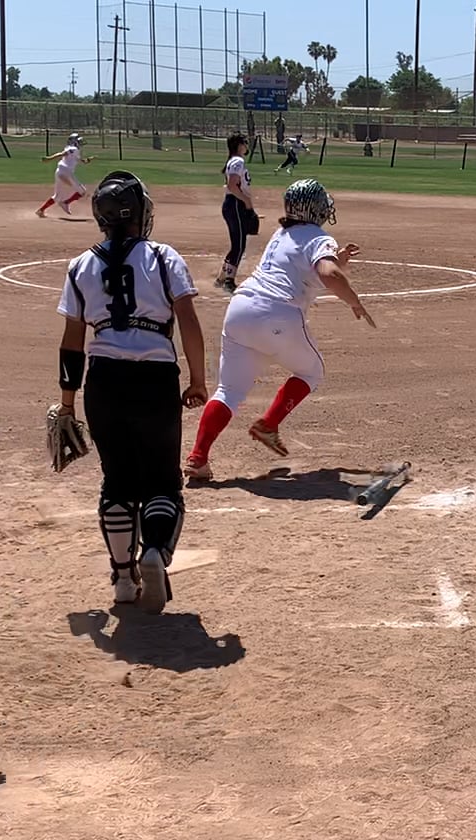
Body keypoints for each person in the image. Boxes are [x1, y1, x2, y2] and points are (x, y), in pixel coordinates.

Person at [52, 172, 208, 612]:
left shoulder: (80, 265)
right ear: (140, 214)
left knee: (117, 481)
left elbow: (72, 342)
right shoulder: (162, 257)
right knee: (162, 480)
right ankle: (154, 550)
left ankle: (123, 578)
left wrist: (67, 402)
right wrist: (197, 380)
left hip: (103, 380)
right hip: (155, 377)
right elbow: (189, 322)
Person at [185, 179, 375, 481]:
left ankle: (198, 458)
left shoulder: (282, 234)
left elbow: (312, 269)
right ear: (316, 209)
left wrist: (340, 259)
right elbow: (328, 274)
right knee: (311, 372)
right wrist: (355, 302)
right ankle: (269, 424)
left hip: (240, 309)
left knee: (229, 391)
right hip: (277, 313)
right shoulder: (319, 237)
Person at [217, 134, 257, 293]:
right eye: (245, 143)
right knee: (239, 245)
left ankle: (221, 278)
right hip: (235, 204)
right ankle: (229, 281)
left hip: (234, 204)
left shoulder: (234, 161)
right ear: (239, 145)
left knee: (237, 244)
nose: (247, 145)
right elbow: (232, 186)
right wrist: (247, 202)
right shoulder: (237, 161)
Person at [36, 133, 95, 218]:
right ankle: (65, 203)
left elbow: (81, 161)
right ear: (74, 141)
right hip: (66, 172)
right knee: (82, 191)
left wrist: (88, 160)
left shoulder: (73, 150)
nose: (80, 142)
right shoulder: (73, 149)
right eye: (78, 140)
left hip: (60, 171)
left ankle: (41, 210)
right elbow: (62, 154)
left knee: (57, 196)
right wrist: (49, 158)